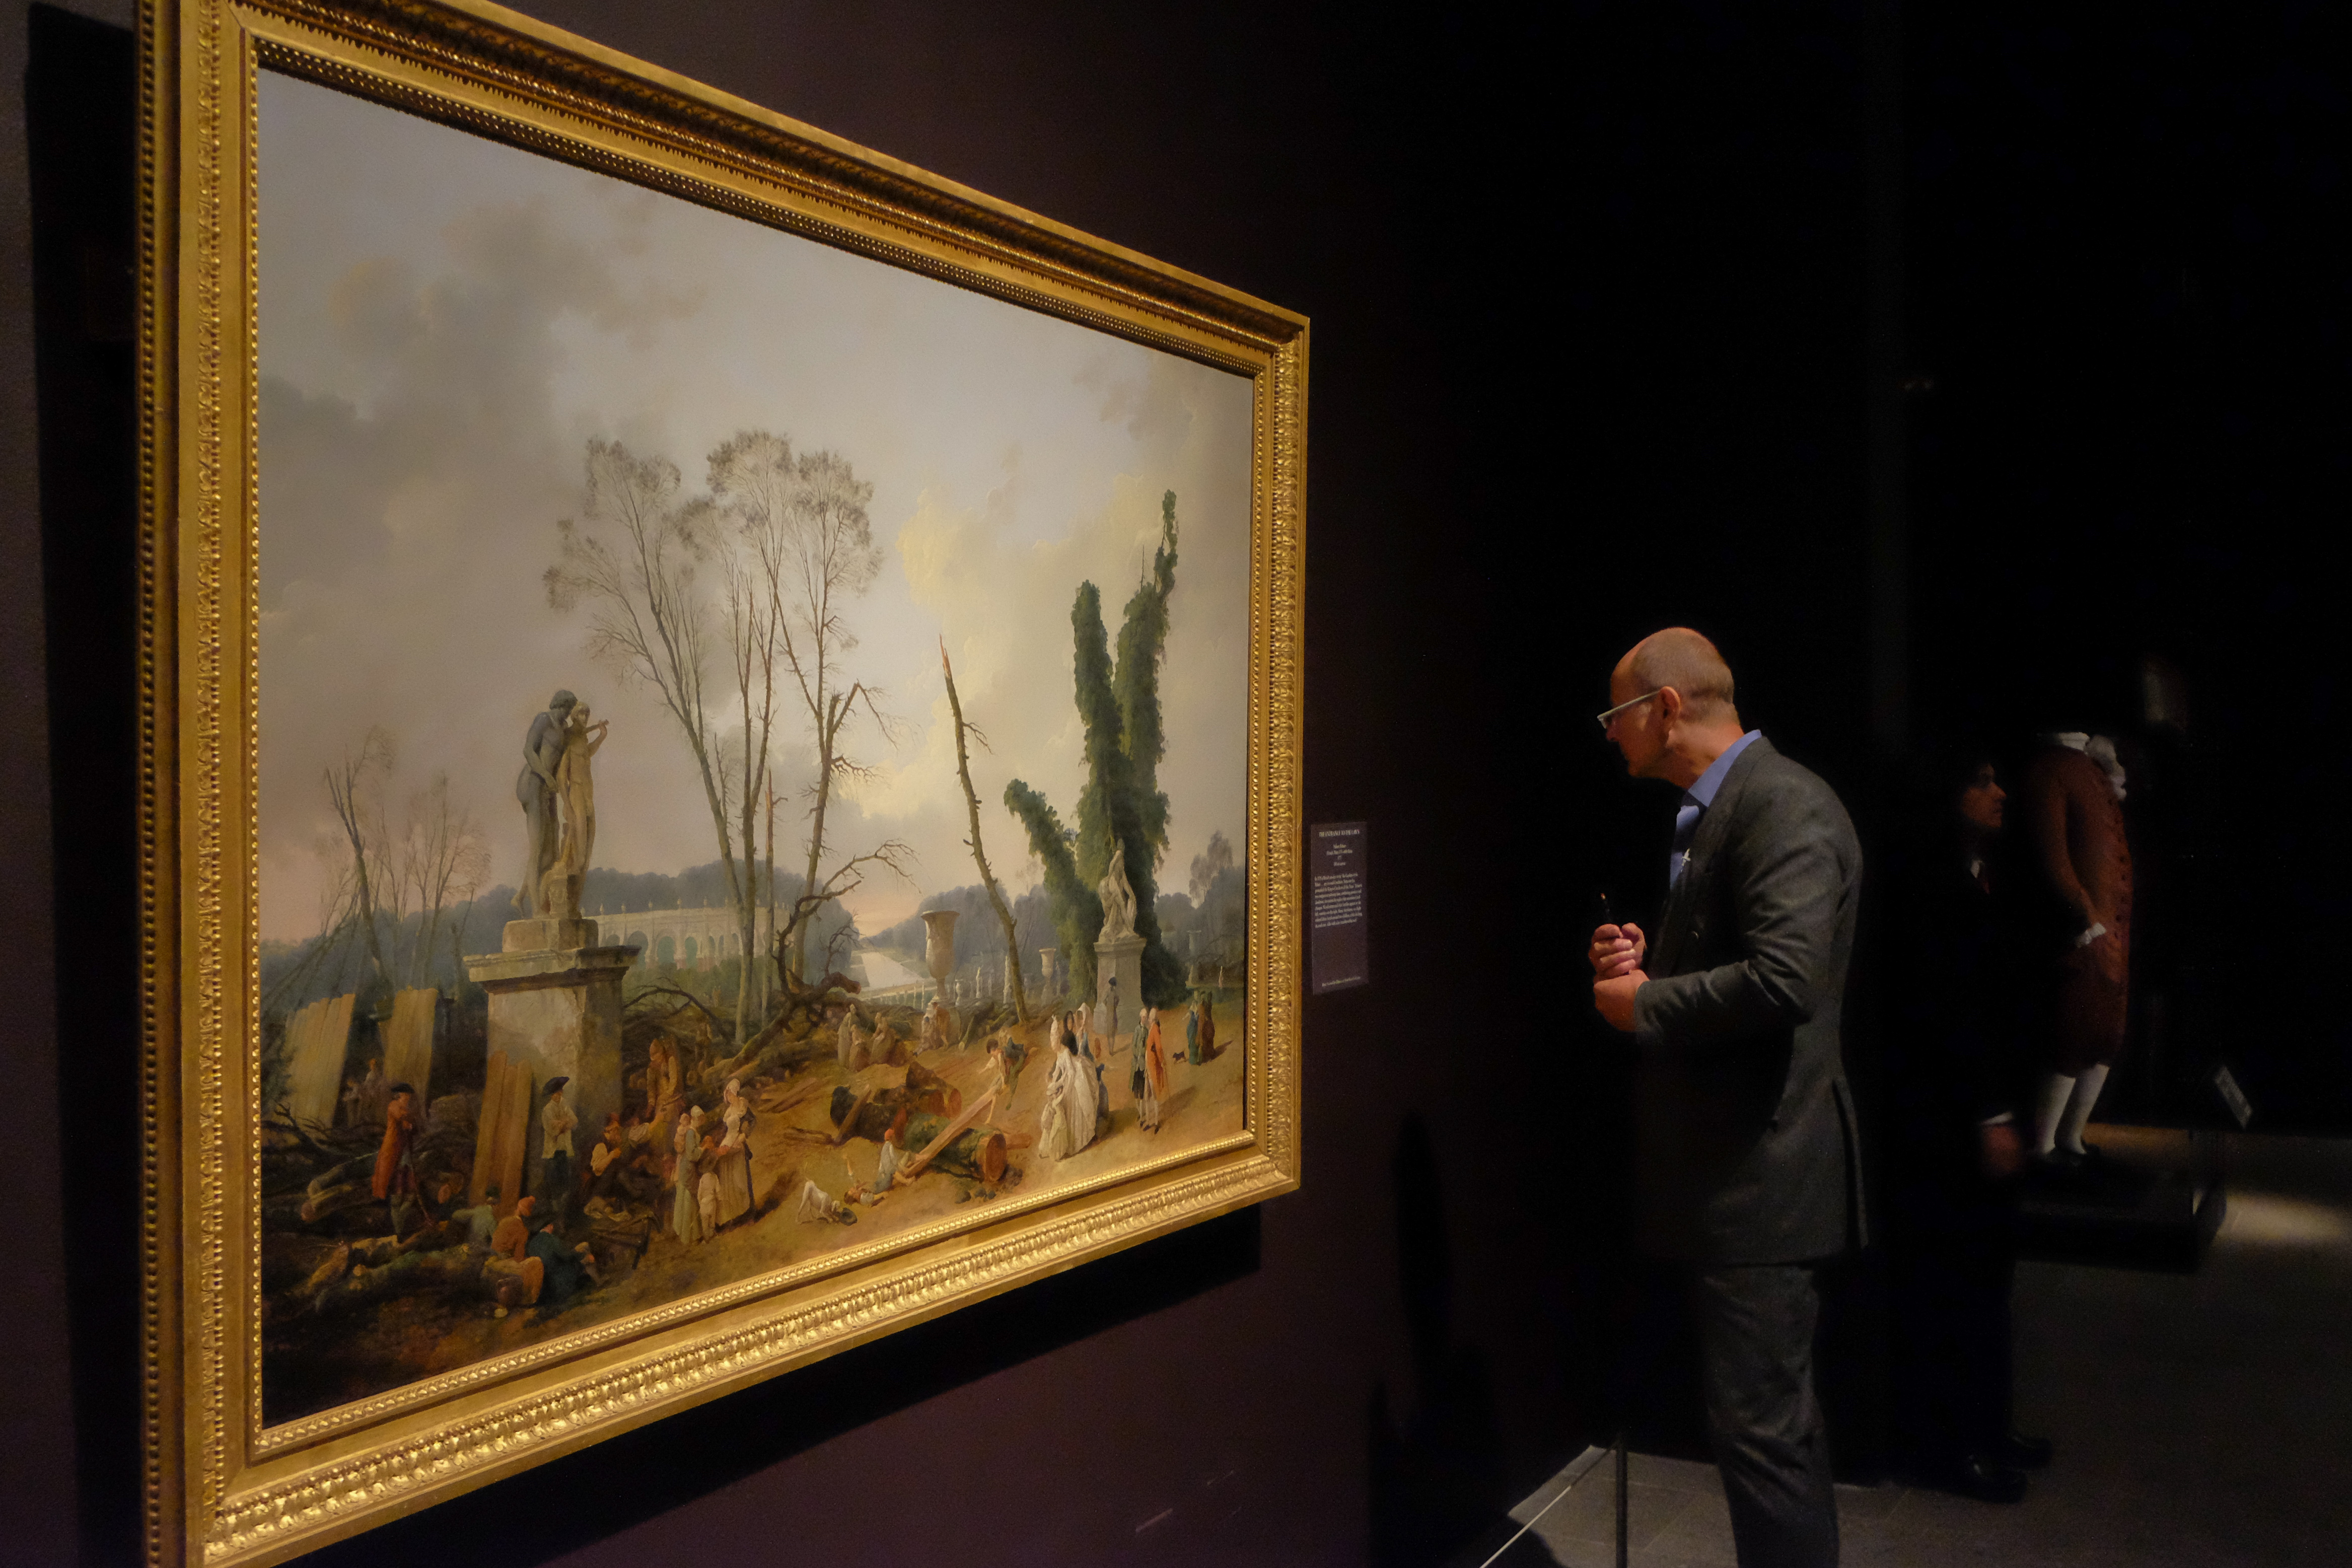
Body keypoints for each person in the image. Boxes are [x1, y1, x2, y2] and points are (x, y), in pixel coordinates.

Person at [1587, 628, 1864, 1568]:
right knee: (1764, 1429)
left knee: (1764, 1435)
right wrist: (1649, 964)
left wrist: (1646, 1003)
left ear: (1665, 708)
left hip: (1763, 1180)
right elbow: (1747, 960)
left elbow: (1786, 979)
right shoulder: (1728, 804)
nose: (1609, 731)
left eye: (1617, 712)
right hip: (1738, 1172)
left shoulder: (1780, 804)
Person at [1882, 746, 2052, 1503]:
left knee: (1988, 1279)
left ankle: (1986, 1424)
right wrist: (1989, 1111)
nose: (1999, 792)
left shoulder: (1986, 876)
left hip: (1985, 1105)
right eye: (1980, 781)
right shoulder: (1928, 886)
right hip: (1945, 1121)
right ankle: (1949, 1444)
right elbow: (1944, 1011)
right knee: (1951, 1283)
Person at [2017, 730, 2134, 1176]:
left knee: (2105, 1034)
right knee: (2073, 1028)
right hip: (2085, 931)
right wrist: (2083, 918)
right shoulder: (2051, 770)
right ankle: (2044, 1144)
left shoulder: (2090, 770)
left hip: (2112, 932)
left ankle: (2071, 1136)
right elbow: (2053, 854)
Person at [513, 689, 579, 916]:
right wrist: (546, 776)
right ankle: (536, 908)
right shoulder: (544, 720)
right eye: (566, 709)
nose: (568, 714)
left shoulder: (563, 728)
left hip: (549, 789)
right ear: (558, 704)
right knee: (538, 848)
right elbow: (528, 750)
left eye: (570, 710)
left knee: (551, 852)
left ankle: (523, 897)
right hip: (533, 783)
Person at [371, 1082, 421, 1224]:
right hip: (391, 1144)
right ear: (400, 1095)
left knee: (399, 1174)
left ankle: (393, 1207)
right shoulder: (394, 1105)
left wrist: (411, 1124)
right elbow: (402, 1117)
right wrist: (411, 1119)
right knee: (386, 1171)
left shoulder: (404, 1108)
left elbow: (409, 1125)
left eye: (409, 1097)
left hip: (400, 1145)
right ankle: (382, 1202)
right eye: (406, 1096)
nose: (408, 1099)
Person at [539, 1076, 578, 1226]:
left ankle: (562, 1216)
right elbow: (553, 1130)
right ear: (552, 1095)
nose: (559, 1095)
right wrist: (564, 1123)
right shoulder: (547, 1110)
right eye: (556, 1093)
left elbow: (574, 1121)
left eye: (560, 1092)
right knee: (554, 1185)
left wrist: (562, 1123)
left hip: (565, 1150)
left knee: (566, 1184)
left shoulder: (565, 1104)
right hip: (553, 1153)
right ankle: (556, 1219)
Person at [671, 1109, 704, 1244]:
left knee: (685, 1198)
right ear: (696, 1118)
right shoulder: (691, 1132)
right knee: (689, 1200)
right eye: (700, 1118)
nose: (702, 1121)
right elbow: (692, 1155)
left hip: (686, 1167)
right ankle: (690, 1235)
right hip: (687, 1167)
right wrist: (704, 1148)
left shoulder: (691, 1130)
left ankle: (685, 1232)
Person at [1142, 1007, 1170, 1132]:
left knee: (1154, 1095)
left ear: (1153, 1019)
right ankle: (1149, 1121)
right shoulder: (1151, 1029)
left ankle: (1157, 1122)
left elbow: (1158, 1048)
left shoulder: (1155, 1029)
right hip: (1148, 1068)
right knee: (1147, 1095)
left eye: (1150, 1019)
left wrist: (1162, 1061)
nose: (1148, 1020)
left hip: (1153, 1067)